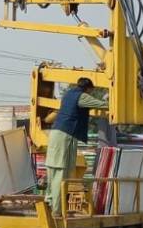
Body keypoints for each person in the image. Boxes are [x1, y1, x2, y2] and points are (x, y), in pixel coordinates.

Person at [44, 77, 108, 218]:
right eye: (91, 90)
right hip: (65, 136)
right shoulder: (82, 96)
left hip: (55, 133)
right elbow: (100, 104)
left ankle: (48, 206)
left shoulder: (68, 94)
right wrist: (112, 104)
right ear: (88, 88)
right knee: (62, 173)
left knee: (52, 170)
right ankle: (57, 210)